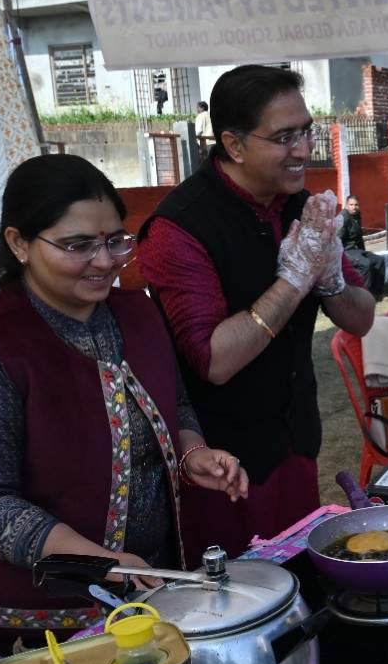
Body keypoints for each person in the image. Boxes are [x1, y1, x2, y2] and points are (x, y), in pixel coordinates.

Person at [0, 155, 248, 654]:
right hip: (36, 625)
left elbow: (176, 404)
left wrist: (193, 453)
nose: (104, 261)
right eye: (78, 246)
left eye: (115, 240)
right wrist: (99, 562)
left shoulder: (139, 313)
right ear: (19, 243)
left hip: (149, 595)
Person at [138, 65, 375, 558]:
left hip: (296, 440)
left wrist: (330, 277)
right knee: (240, 590)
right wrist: (294, 279)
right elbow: (214, 360)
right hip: (223, 466)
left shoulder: (301, 207)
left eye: (307, 131)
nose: (304, 150)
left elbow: (362, 319)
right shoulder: (179, 228)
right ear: (234, 144)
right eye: (284, 137)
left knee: (302, 577)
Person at [339, 195, 387, 298]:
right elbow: (337, 240)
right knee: (365, 264)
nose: (354, 207)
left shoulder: (357, 215)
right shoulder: (343, 218)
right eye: (351, 205)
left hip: (356, 250)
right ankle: (363, 296)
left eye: (356, 205)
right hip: (345, 251)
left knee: (379, 260)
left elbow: (359, 237)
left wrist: (364, 252)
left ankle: (378, 293)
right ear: (346, 205)